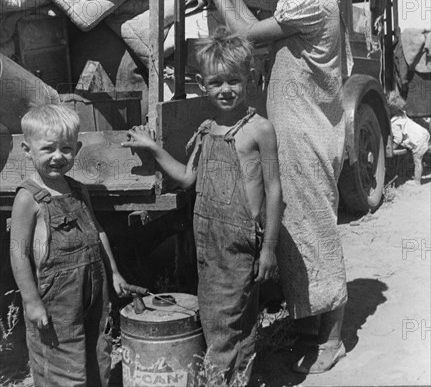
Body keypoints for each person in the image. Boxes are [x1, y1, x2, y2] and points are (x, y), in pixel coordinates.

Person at [200, 0, 348, 374]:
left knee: (317, 228)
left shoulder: (315, 0)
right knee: (296, 228)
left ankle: (334, 339)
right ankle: (308, 325)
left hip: (306, 134)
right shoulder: (315, 0)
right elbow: (252, 25)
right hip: (299, 132)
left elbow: (243, 33)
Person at [122, 29, 283, 384]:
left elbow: (274, 190)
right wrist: (152, 148)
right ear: (201, 84)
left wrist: (269, 247)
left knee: (224, 323)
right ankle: (237, 378)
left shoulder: (259, 129)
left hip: (241, 241)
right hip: (209, 240)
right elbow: (186, 178)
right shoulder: (207, 128)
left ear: (250, 79)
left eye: (234, 81)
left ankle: (219, 380)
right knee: (225, 319)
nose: (226, 89)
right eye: (216, 82)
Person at [10, 105, 128, 387]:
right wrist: (31, 301)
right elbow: (18, 252)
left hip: (93, 292)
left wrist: (114, 272)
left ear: (77, 148)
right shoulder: (29, 198)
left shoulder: (78, 189)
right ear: (27, 150)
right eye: (48, 148)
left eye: (66, 149)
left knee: (97, 355)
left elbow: (97, 232)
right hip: (55, 301)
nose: (57, 157)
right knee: (61, 366)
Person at [390, 99, 430, 184]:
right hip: (423, 133)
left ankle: (417, 182)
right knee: (427, 149)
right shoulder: (402, 114)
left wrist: (392, 148)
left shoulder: (394, 124)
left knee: (418, 160)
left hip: (417, 140)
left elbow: (398, 139)